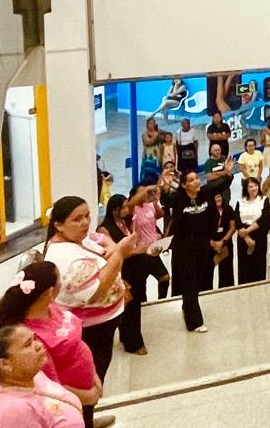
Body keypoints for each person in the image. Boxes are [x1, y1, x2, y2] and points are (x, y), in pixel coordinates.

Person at [0, 260, 104, 428]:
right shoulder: (28, 337)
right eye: (60, 280)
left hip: (86, 391)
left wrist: (94, 376)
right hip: (68, 401)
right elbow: (51, 386)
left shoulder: (51, 306)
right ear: (50, 292)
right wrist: (90, 396)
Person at [42, 196, 135, 387]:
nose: (85, 223)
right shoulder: (65, 257)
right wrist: (119, 253)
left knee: (100, 369)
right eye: (77, 219)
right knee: (91, 377)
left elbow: (97, 238)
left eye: (87, 216)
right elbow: (97, 291)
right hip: (92, 330)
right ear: (59, 225)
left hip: (104, 324)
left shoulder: (77, 238)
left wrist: (111, 246)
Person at [163, 163, 234, 333]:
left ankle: (187, 306)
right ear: (184, 185)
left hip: (202, 247)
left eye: (196, 178)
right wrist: (165, 185)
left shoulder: (205, 193)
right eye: (192, 180)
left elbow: (222, 184)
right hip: (184, 249)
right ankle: (194, 322)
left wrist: (228, 172)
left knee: (197, 281)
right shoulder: (178, 199)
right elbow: (164, 200)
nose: (196, 182)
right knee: (189, 282)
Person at [0, 325, 85, 428]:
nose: (39, 345)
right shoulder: (11, 412)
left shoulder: (33, 375)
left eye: (34, 339)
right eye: (27, 345)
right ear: (5, 364)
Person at [97, 194, 153, 358]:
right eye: (124, 207)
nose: (127, 210)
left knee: (134, 306)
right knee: (129, 308)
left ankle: (128, 336)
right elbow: (112, 253)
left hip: (135, 269)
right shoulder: (104, 229)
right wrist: (136, 250)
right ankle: (133, 342)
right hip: (122, 270)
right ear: (115, 210)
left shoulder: (125, 223)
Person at [234, 176, 270, 284]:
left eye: (255, 186)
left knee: (259, 263)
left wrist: (247, 230)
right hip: (243, 237)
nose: (254, 188)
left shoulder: (264, 200)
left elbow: (264, 219)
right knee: (244, 265)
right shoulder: (240, 202)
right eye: (250, 186)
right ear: (246, 188)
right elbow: (237, 220)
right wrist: (245, 235)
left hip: (258, 235)